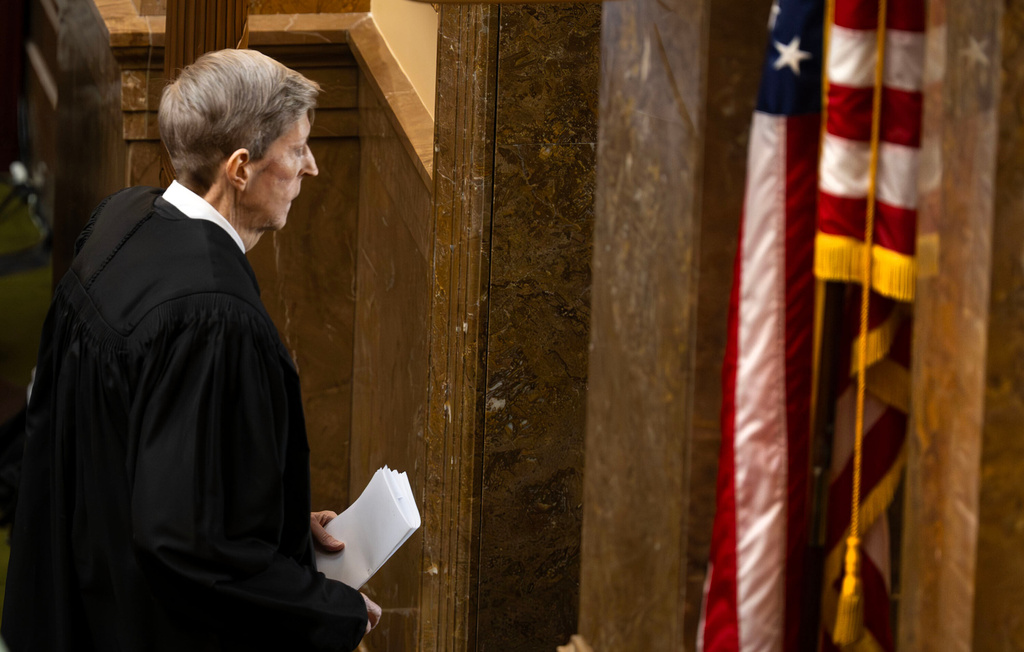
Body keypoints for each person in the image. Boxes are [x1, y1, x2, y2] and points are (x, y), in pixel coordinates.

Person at [1, 49, 381, 651]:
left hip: (68, 597)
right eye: (296, 149)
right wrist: (329, 609)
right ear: (239, 167)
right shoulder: (211, 316)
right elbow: (184, 542)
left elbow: (138, 454)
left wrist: (284, 529)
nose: (310, 168)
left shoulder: (121, 220)